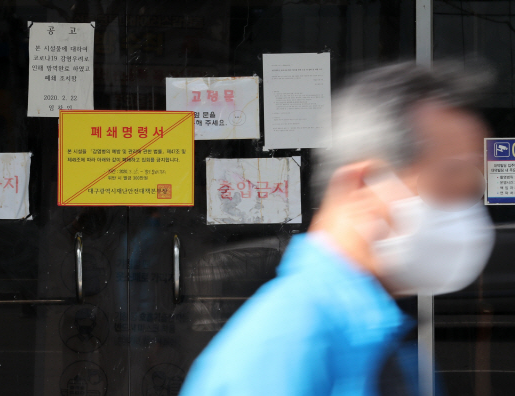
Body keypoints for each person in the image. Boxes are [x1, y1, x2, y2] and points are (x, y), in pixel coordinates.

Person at [178, 62, 496, 396]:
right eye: (448, 182)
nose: (467, 213)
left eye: (473, 189)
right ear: (363, 184)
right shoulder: (290, 342)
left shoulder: (375, 332)